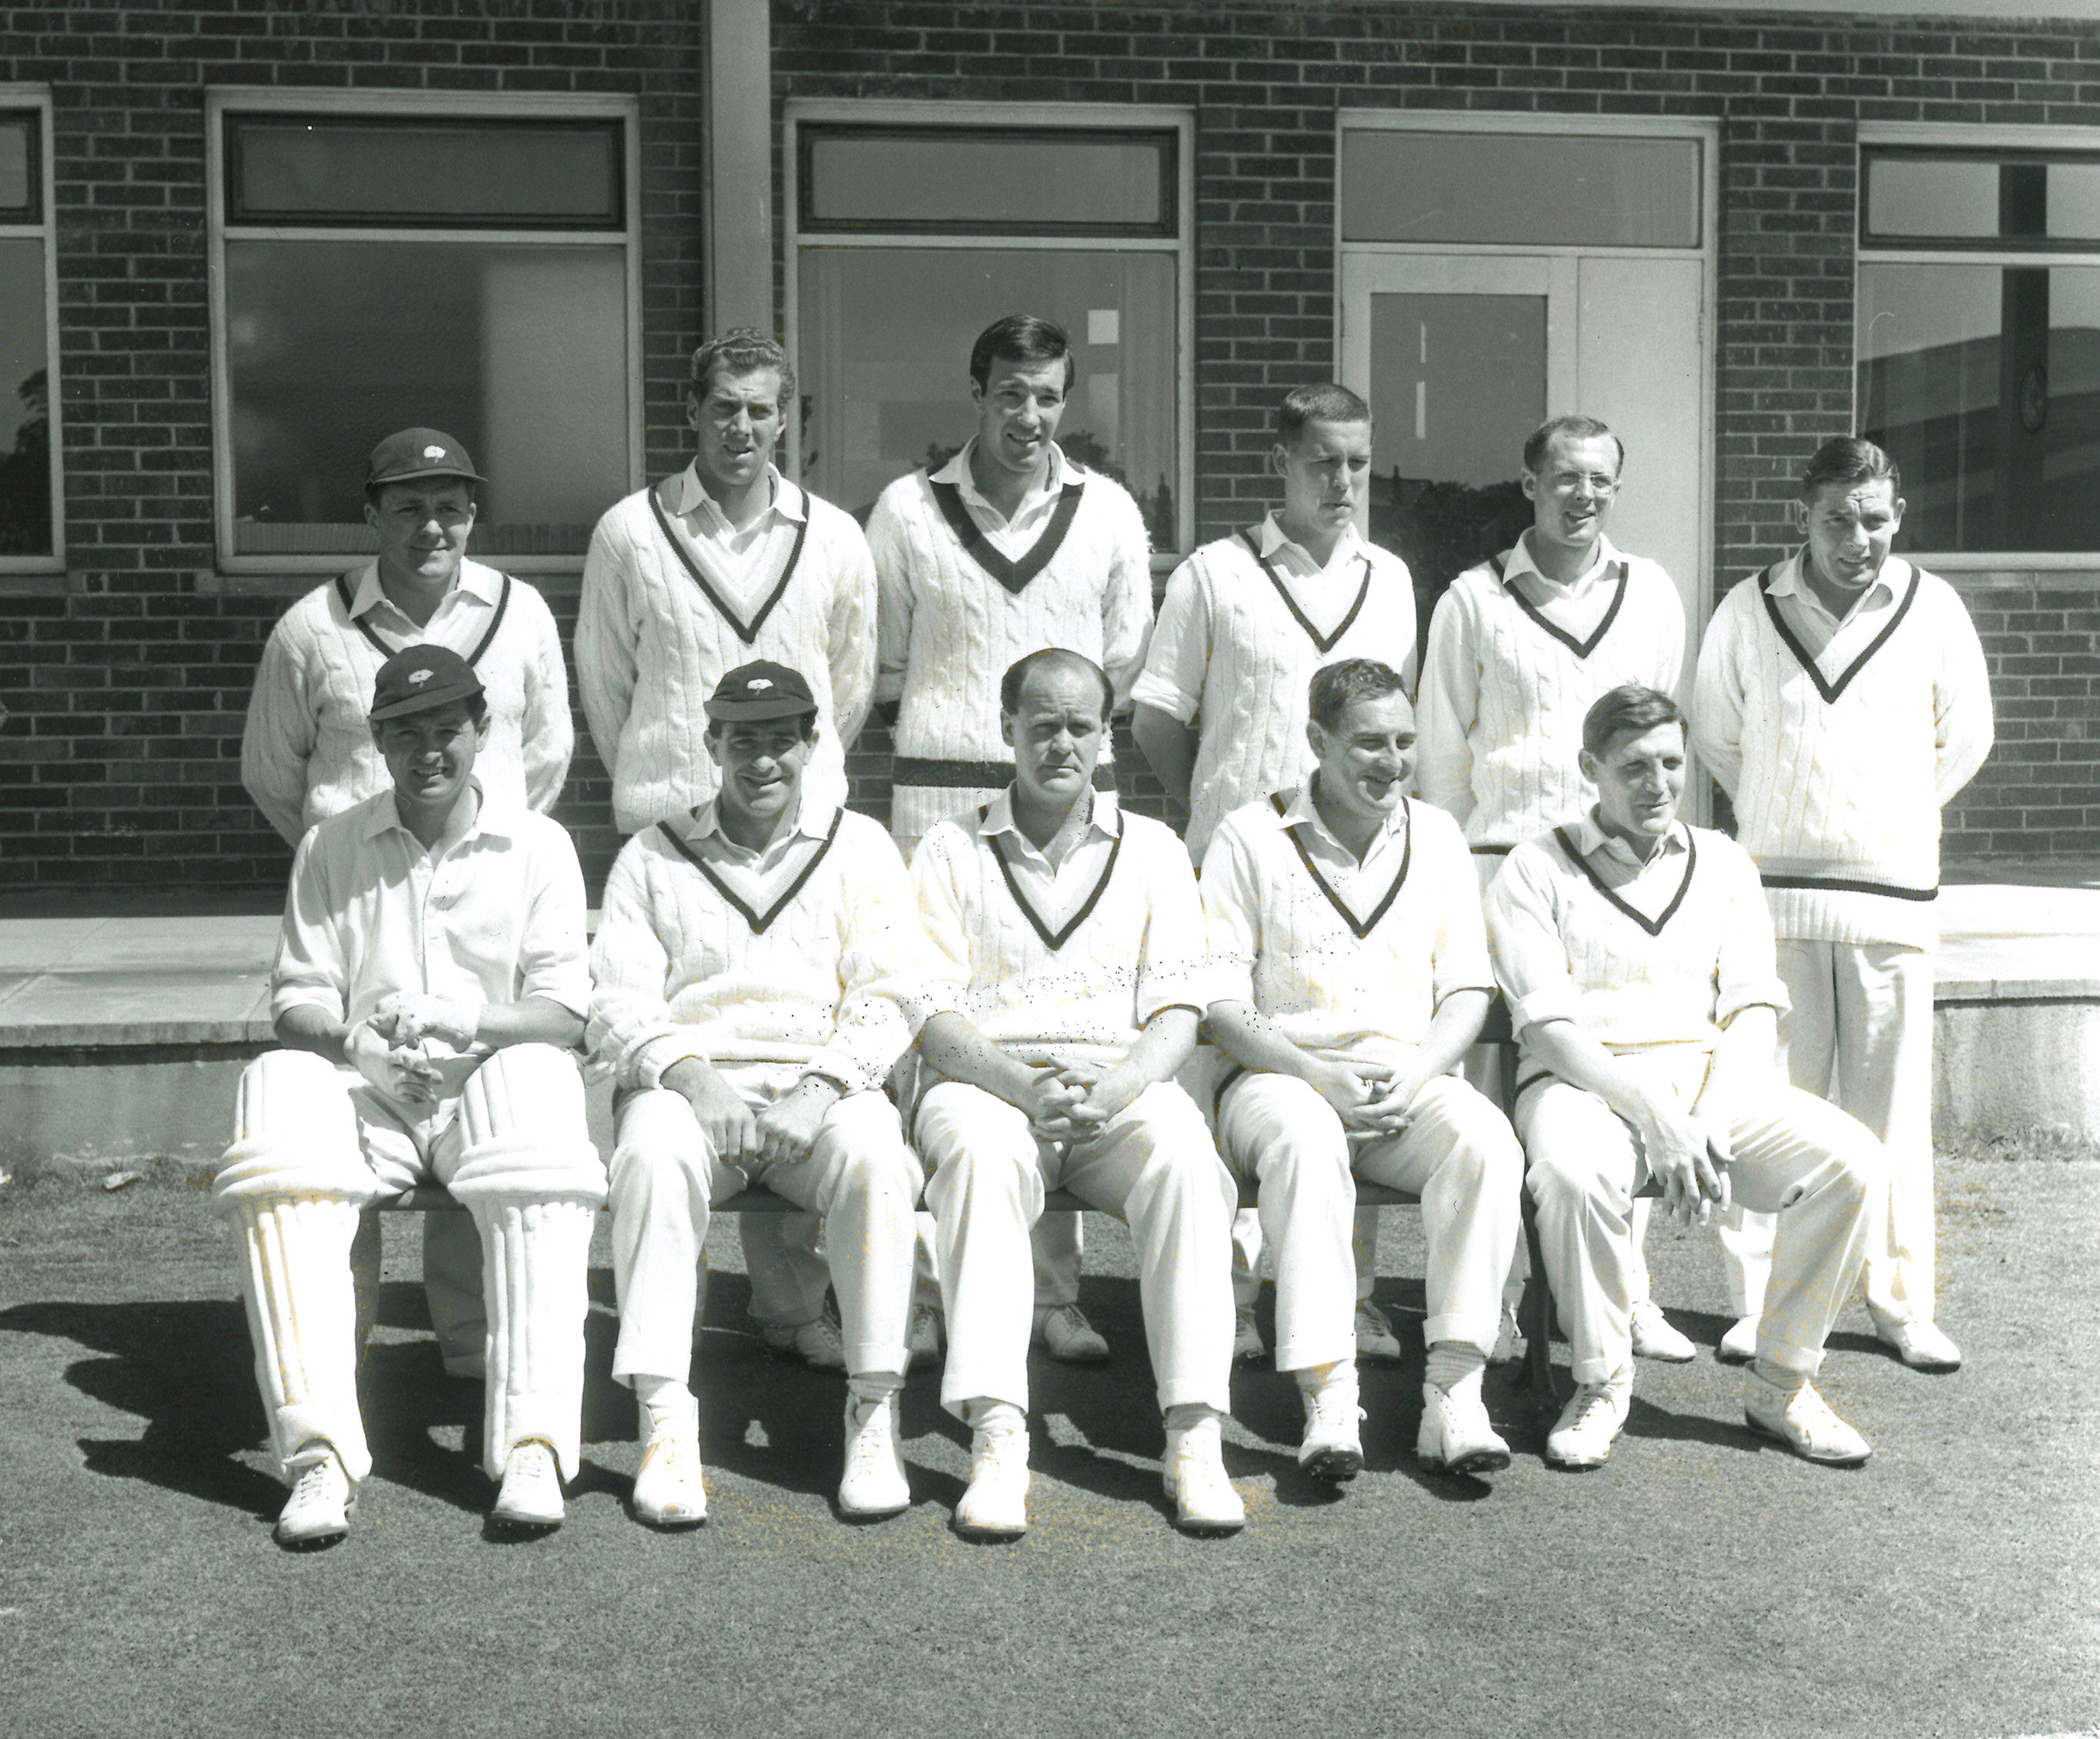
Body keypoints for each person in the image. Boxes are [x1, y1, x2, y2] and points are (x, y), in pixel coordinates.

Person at [213, 646, 604, 1548]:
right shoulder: (331, 844)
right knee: (276, 1087)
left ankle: (533, 1445)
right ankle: (316, 1454)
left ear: (481, 732)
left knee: (539, 1082)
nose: (430, 750)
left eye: (446, 729)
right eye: (407, 733)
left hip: (487, 1100)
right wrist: (352, 1039)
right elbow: (297, 998)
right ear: (380, 742)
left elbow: (562, 1012)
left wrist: (467, 1018)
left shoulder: (539, 844)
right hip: (372, 1100)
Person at [239, 428, 575, 1385]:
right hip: (362, 897)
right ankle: (338, 1350)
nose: (433, 525)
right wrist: (344, 857)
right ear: (372, 513)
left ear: (474, 512)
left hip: (486, 890)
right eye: (409, 505)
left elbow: (544, 753)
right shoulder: (314, 625)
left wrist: (484, 852)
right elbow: (272, 769)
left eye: (452, 505)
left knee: (493, 1096)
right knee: (345, 1117)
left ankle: (476, 1349)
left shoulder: (523, 612)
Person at [576, 330, 882, 1374]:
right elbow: (607, 685)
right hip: (676, 834)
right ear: (692, 413)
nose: (741, 427)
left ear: (786, 416)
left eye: (760, 408)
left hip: (799, 825)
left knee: (791, 1035)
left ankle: (793, 1308)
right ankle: (675, 1326)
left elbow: (844, 686)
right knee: (693, 1057)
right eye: (723, 409)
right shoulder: (629, 532)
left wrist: (779, 768)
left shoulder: (835, 536)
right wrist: (679, 773)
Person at [1486, 685, 1887, 1470]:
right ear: (1589, 768)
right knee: (1571, 1172)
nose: (1657, 783)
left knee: (1853, 1161)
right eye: (1634, 765)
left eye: (1671, 762)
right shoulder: (1534, 867)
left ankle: (1782, 1382)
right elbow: (1550, 1030)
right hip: (1581, 1086)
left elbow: (1751, 1012)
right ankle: (1601, 1380)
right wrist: (1653, 1114)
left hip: (1710, 1085)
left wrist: (1701, 1114)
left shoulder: (1726, 862)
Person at [868, 314, 1154, 1364]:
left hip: (1071, 805)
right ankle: (935, 1290)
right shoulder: (907, 511)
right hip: (939, 807)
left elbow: (1117, 659)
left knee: (1057, 1022)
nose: (1027, 416)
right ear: (976, 395)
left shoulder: (1110, 511)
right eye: (1009, 395)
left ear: (1065, 401)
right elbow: (884, 664)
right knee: (938, 1039)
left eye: (1047, 396)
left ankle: (1051, 1291)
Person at [588, 662, 931, 1527]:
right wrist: (695, 1079)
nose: (764, 759)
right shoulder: (651, 853)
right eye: (744, 740)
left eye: (782, 738)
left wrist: (818, 1090)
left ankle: (873, 1405)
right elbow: (619, 1002)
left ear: (813, 743)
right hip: (700, 1090)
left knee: (877, 1157)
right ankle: (666, 1417)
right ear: (712, 745)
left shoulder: (861, 847)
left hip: (817, 1088)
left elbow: (889, 994)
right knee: (653, 1151)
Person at [909, 650, 1243, 1538]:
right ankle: (996, 1431)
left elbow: (1178, 1010)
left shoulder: (1157, 848)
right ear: (1006, 726)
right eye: (1043, 723)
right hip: (988, 1083)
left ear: (1106, 736)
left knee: (1187, 1164)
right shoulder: (949, 847)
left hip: (1114, 1082)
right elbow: (932, 1018)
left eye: (1081, 726)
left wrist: (1121, 1082)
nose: (1062, 743)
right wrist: (1022, 1086)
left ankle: (1195, 1431)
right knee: (979, 1158)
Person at [1133, 383, 1419, 1369]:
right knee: (1236, 1074)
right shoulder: (1214, 573)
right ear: (1282, 462)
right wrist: (1226, 818)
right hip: (1236, 866)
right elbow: (1159, 718)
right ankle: (1231, 1296)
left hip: (1352, 867)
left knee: (1353, 1052)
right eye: (1323, 461)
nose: (1343, 481)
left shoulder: (1391, 578)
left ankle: (1347, 1291)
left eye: (1357, 462)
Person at [1692, 437, 1992, 1372]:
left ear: (1896, 516)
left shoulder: (1934, 608)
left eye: (1873, 518)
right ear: (1803, 517)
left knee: (1888, 1110)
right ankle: (1757, 1301)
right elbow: (1717, 735)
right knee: (1767, 1104)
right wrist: (1785, 820)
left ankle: (1900, 1299)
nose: (1856, 538)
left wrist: (1886, 821)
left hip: (1893, 901)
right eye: (1837, 519)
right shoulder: (1749, 608)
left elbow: (1966, 738)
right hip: (1772, 898)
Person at [1201, 659, 1522, 1484]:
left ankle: (1453, 1392)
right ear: (1316, 741)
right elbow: (1221, 1006)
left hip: (1400, 1080)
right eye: (1368, 743)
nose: (1391, 762)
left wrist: (1417, 1076)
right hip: (1275, 1081)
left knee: (1486, 1140)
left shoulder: (1441, 835)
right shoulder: (1249, 835)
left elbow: (1467, 989)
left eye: (1404, 743)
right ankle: (1329, 1394)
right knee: (1307, 1140)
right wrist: (1318, 1074)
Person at [1415, 413, 1694, 1364]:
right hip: (1499, 864)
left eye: (1602, 482)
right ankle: (1486, 1299)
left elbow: (1655, 724)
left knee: (1617, 1075)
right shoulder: (1471, 600)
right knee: (1493, 1101)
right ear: (1529, 481)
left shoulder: (1651, 593)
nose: (1584, 496)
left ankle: (1616, 1295)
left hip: (1614, 871)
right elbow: (1444, 757)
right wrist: (1454, 875)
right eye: (1566, 477)